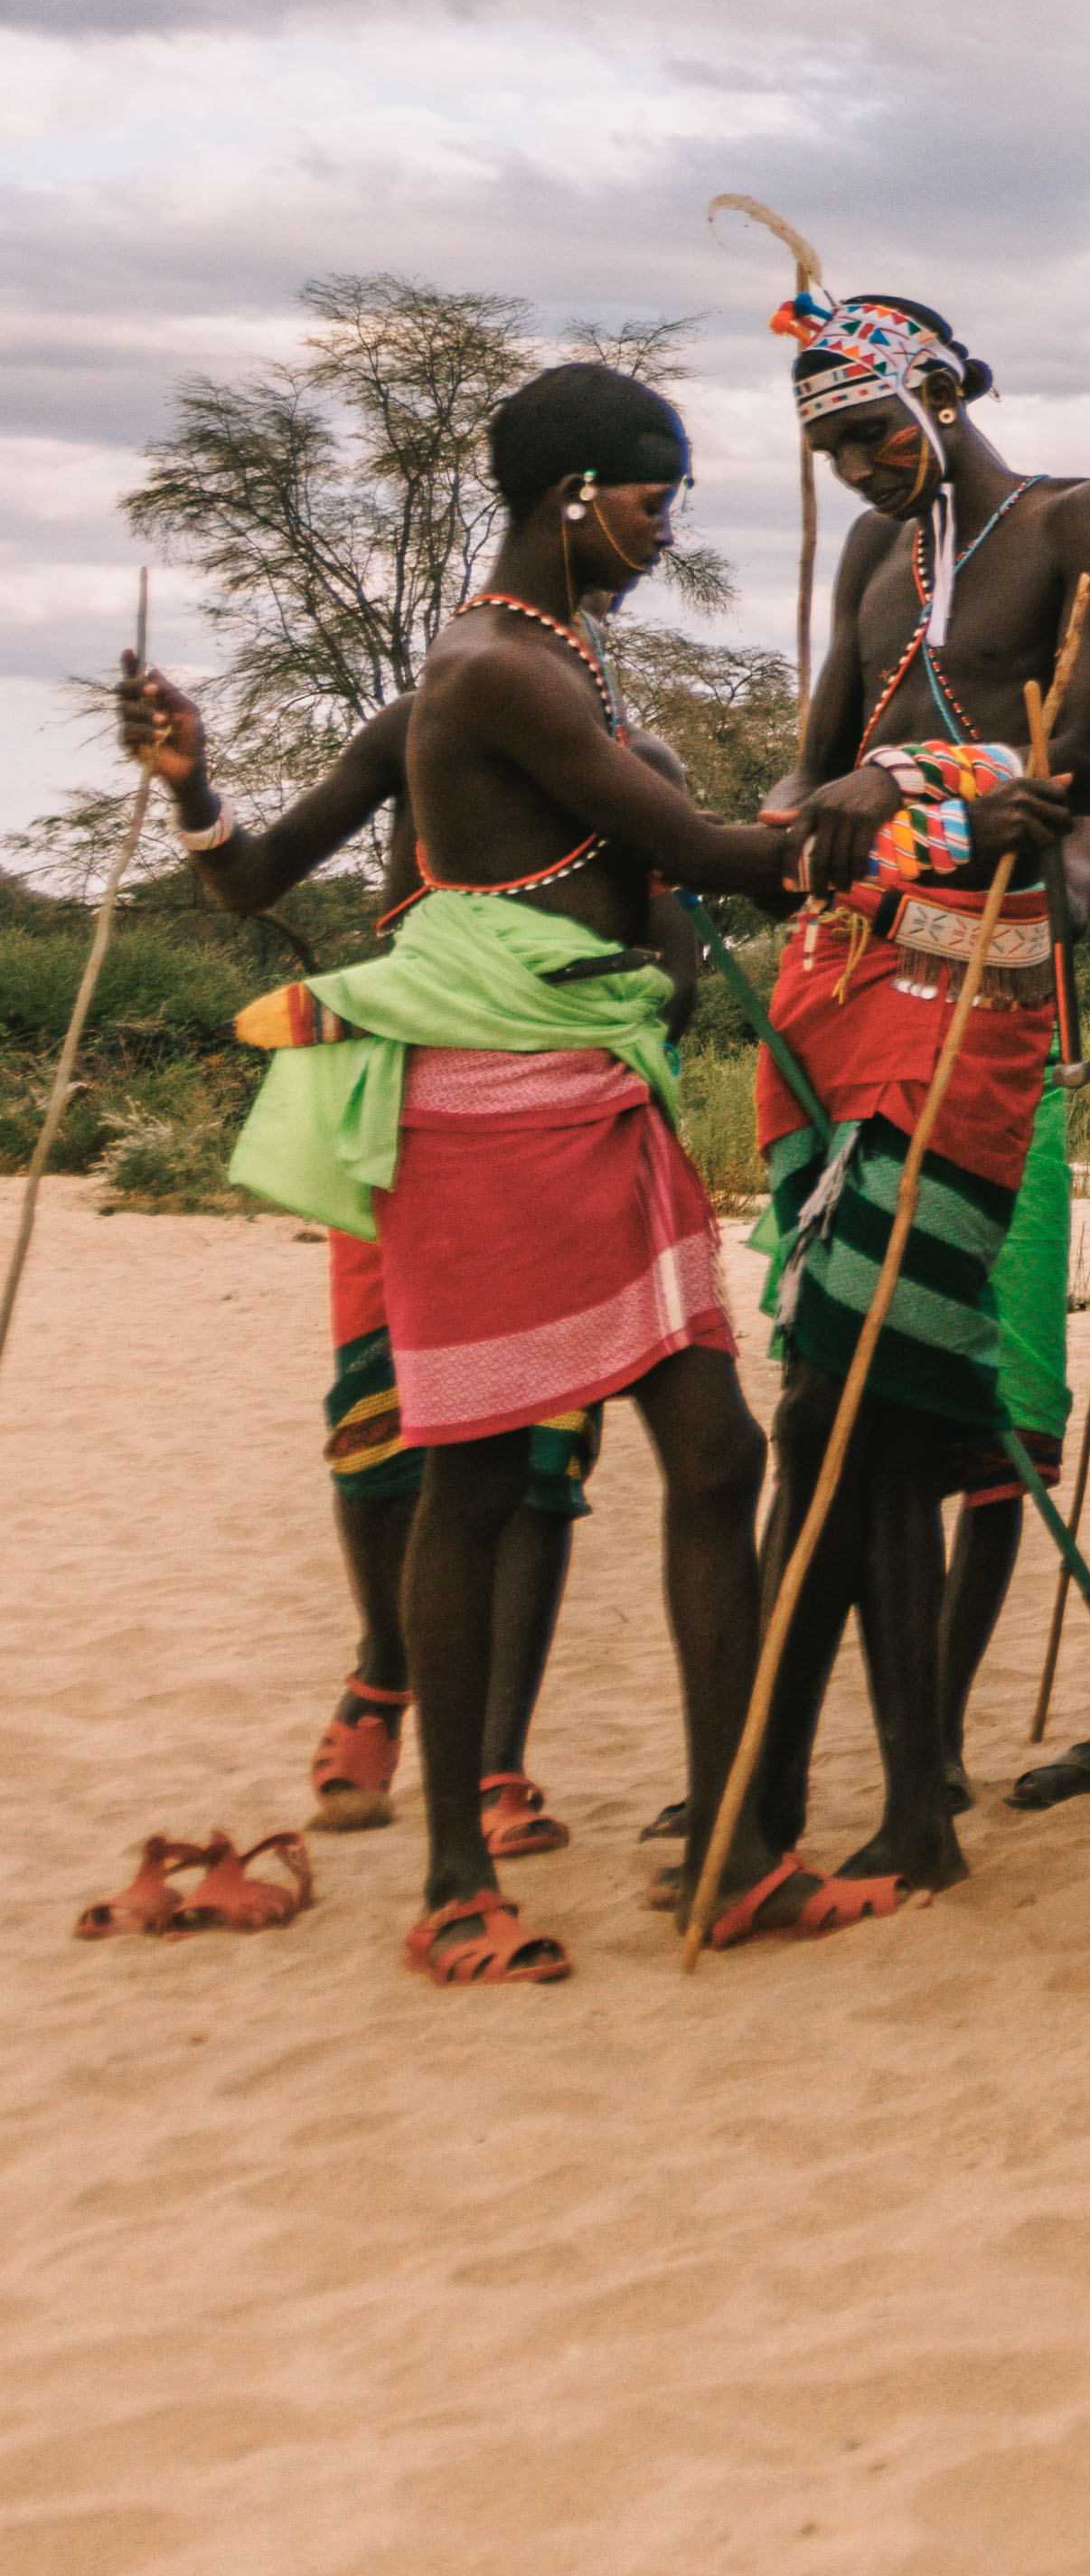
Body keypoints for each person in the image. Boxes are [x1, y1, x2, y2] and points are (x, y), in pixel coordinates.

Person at [219, 365, 790, 1985]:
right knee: (471, 1477)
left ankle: (736, 1850)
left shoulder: (565, 665)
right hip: (492, 1105)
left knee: (711, 1448)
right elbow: (702, 856)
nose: (664, 526)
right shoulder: (494, 672)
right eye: (652, 494)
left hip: (602, 1094)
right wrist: (891, 812)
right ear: (574, 495)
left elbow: (665, 897)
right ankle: (454, 1879)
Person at [722, 278, 1090, 1932]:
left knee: (864, 1393)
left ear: (944, 389)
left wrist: (893, 787)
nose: (862, 466)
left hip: (972, 981)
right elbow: (816, 755)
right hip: (833, 977)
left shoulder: (1075, 519)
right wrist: (749, 827)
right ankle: (810, 1785)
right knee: (837, 1398)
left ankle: (880, 1795)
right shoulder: (865, 558)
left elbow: (1077, 774)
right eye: (831, 447)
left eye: (877, 429)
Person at [124, 663, 603, 1853]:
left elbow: (665, 938)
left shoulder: (620, 756)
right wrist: (193, 785)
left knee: (545, 1448)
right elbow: (252, 876)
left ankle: (496, 1759)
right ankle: (385, 1673)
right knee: (377, 1426)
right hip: (394, 1097)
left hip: (553, 1108)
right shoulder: (417, 728)